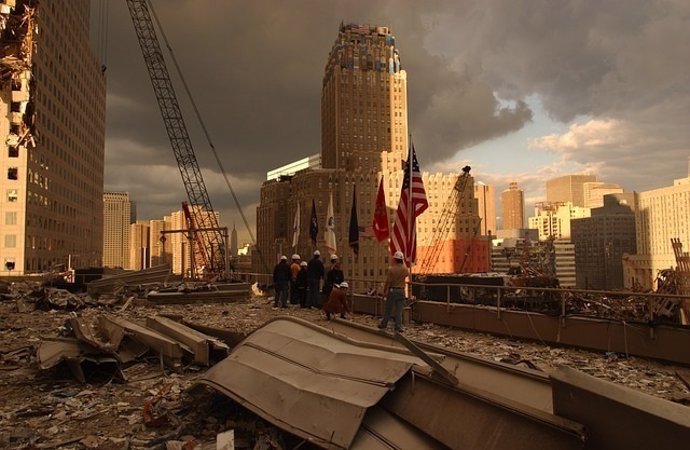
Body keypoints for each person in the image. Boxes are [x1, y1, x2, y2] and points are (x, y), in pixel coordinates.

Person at [378, 251, 409, 333]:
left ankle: (384, 324)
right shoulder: (405, 269)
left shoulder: (391, 269)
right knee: (399, 311)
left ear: (395, 259)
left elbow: (388, 282)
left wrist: (385, 292)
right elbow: (406, 275)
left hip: (393, 290)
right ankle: (398, 327)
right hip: (401, 291)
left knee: (388, 309)